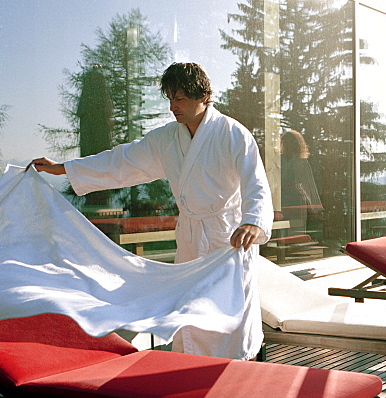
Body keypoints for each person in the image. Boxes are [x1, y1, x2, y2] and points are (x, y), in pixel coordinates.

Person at [31, 62, 273, 359]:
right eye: (170, 98)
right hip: (191, 240)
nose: (173, 106)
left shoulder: (233, 134)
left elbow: (256, 183)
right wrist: (66, 168)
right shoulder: (168, 138)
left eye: (180, 98)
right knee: (191, 316)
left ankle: (243, 378)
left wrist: (253, 222)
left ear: (203, 96)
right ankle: (191, 383)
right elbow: (122, 161)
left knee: (229, 319)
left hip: (228, 240)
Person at [280, 129, 322, 235]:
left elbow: (308, 184)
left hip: (296, 198)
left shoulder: (301, 162)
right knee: (282, 228)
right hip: (281, 198)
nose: (287, 145)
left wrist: (315, 207)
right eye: (285, 142)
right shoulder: (278, 160)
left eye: (290, 142)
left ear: (295, 144)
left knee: (296, 229)